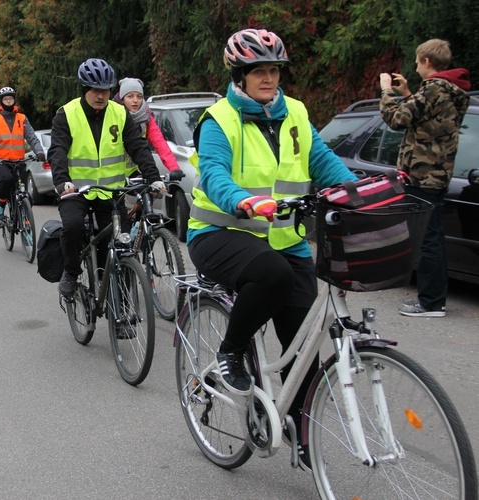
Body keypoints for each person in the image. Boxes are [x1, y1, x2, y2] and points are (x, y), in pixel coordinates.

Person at [186, 29, 357, 460]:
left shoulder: (295, 113)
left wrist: (360, 193)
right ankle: (231, 350)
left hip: (284, 240)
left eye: (274, 70)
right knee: (271, 273)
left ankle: (303, 436)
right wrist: (243, 199)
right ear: (239, 77)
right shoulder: (219, 118)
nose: (268, 78)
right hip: (220, 233)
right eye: (258, 71)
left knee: (302, 348)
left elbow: (324, 163)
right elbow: (214, 173)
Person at [48, 58, 165, 296]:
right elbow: (58, 150)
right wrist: (61, 182)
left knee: (119, 247)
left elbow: (138, 147)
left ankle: (118, 308)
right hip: (77, 191)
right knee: (71, 227)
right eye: (95, 90)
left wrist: (153, 177)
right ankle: (70, 272)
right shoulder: (67, 114)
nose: (101, 95)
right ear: (84, 89)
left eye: (105, 90)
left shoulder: (120, 113)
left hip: (112, 192)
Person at [379, 39, 471, 318]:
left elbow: (396, 120)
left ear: (426, 62)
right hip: (438, 174)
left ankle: (431, 302)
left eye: (418, 61)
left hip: (422, 175)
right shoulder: (449, 91)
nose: (416, 66)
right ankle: (435, 299)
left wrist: (386, 90)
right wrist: (407, 92)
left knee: (427, 239)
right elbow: (424, 121)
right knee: (434, 236)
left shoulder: (434, 89)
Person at [0, 87, 46, 220]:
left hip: (18, 160)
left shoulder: (22, 118)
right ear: (1, 101)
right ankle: (1, 206)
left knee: (23, 190)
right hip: (0, 161)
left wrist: (39, 152)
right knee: (6, 179)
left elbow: (32, 137)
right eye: (5, 99)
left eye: (10, 98)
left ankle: (23, 212)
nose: (8, 101)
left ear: (14, 100)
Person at [114, 77, 184, 178]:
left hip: (133, 172)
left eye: (139, 96)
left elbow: (160, 143)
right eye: (130, 96)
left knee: (152, 191)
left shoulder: (146, 117)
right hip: (111, 173)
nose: (135, 100)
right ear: (122, 99)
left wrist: (174, 168)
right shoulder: (113, 115)